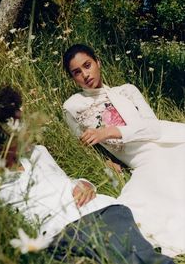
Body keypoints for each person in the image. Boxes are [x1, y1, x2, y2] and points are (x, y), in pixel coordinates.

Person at [0, 83, 174, 264]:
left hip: (99, 213)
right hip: (57, 238)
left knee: (136, 257)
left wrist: (84, 183)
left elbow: (66, 181)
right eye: (18, 123)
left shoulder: (38, 154)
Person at [62, 43, 185, 258]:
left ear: (98, 63)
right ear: (73, 78)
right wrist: (106, 159)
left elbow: (153, 128)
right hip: (143, 161)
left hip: (167, 139)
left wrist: (108, 132)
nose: (85, 75)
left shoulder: (126, 90)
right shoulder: (73, 106)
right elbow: (84, 144)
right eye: (77, 72)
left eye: (87, 65)